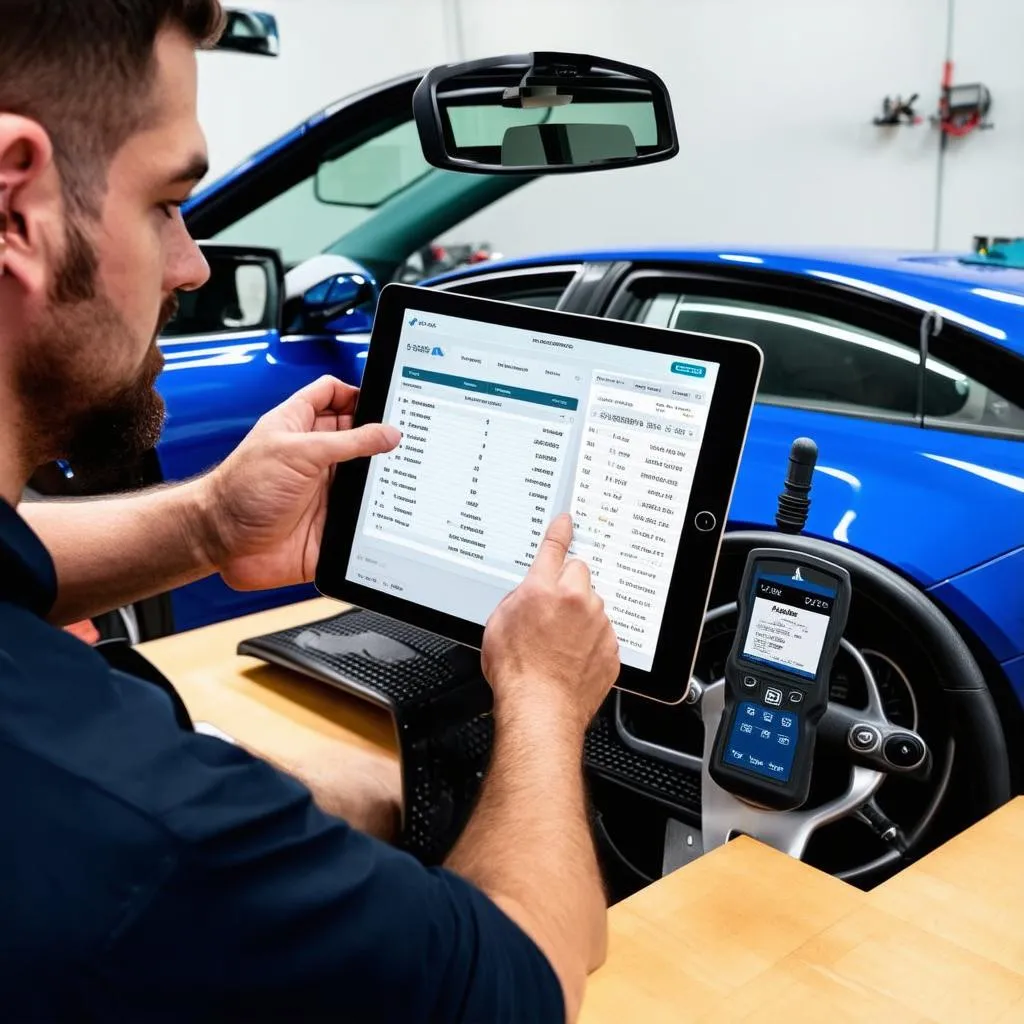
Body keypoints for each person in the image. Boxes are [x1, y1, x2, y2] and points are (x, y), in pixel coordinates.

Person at [0, 2, 621, 1021]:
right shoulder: (126, 819)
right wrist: (547, 702)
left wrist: (207, 524)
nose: (194, 264)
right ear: (14, 204)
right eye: (166, 202)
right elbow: (520, 979)